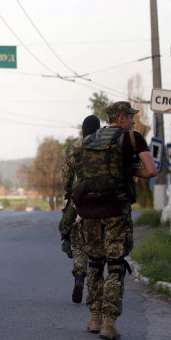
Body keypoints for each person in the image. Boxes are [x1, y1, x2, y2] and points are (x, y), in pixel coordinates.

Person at [72, 102, 157, 340]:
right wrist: (130, 171)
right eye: (131, 117)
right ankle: (109, 322)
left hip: (89, 209)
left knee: (95, 262)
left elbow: (80, 176)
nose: (133, 121)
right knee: (115, 264)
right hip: (115, 209)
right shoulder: (131, 138)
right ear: (121, 117)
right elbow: (151, 170)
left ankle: (94, 318)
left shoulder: (88, 140)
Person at [59, 115, 100, 303]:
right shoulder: (108, 146)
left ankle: (79, 276)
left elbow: (67, 177)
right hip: (105, 201)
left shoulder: (75, 148)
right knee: (99, 243)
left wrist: (70, 195)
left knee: (76, 239)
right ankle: (97, 285)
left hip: (80, 199)